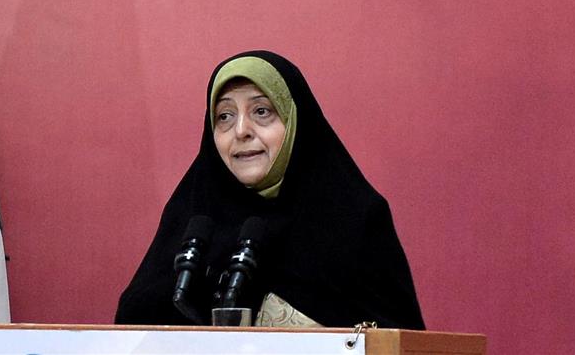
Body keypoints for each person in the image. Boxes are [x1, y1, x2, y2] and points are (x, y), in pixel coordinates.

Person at [115, 50, 425, 329]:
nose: (241, 131)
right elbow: (134, 325)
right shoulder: (193, 222)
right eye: (224, 116)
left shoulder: (353, 219)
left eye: (262, 111)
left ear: (295, 122)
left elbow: (399, 339)